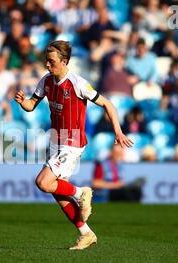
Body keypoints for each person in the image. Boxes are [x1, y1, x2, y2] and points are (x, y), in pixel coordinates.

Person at [14, 40, 133, 250]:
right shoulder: (46, 81)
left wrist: (118, 131)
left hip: (72, 142)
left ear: (64, 61)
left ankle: (81, 193)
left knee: (43, 182)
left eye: (51, 61)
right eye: (46, 61)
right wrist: (23, 102)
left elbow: (107, 103)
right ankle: (86, 234)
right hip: (56, 141)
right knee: (56, 192)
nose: (47, 65)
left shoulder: (77, 83)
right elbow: (32, 105)